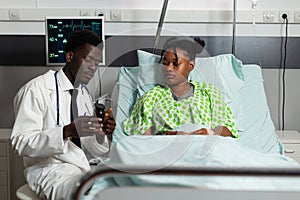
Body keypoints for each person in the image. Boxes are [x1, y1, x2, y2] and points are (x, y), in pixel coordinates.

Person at [11, 30, 116, 200]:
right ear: (69, 56)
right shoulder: (36, 89)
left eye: (97, 63)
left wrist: (100, 132)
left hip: (81, 166)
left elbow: (90, 147)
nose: (93, 68)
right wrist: (66, 131)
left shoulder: (83, 94)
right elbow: (21, 142)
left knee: (121, 186)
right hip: (49, 169)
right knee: (90, 195)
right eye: (88, 60)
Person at [123, 37, 238, 138]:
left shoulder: (210, 94)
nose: (169, 68)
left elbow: (228, 131)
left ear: (190, 65)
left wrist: (209, 133)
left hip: (203, 149)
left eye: (175, 63)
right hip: (166, 151)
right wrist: (168, 135)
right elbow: (140, 135)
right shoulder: (151, 98)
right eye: (165, 63)